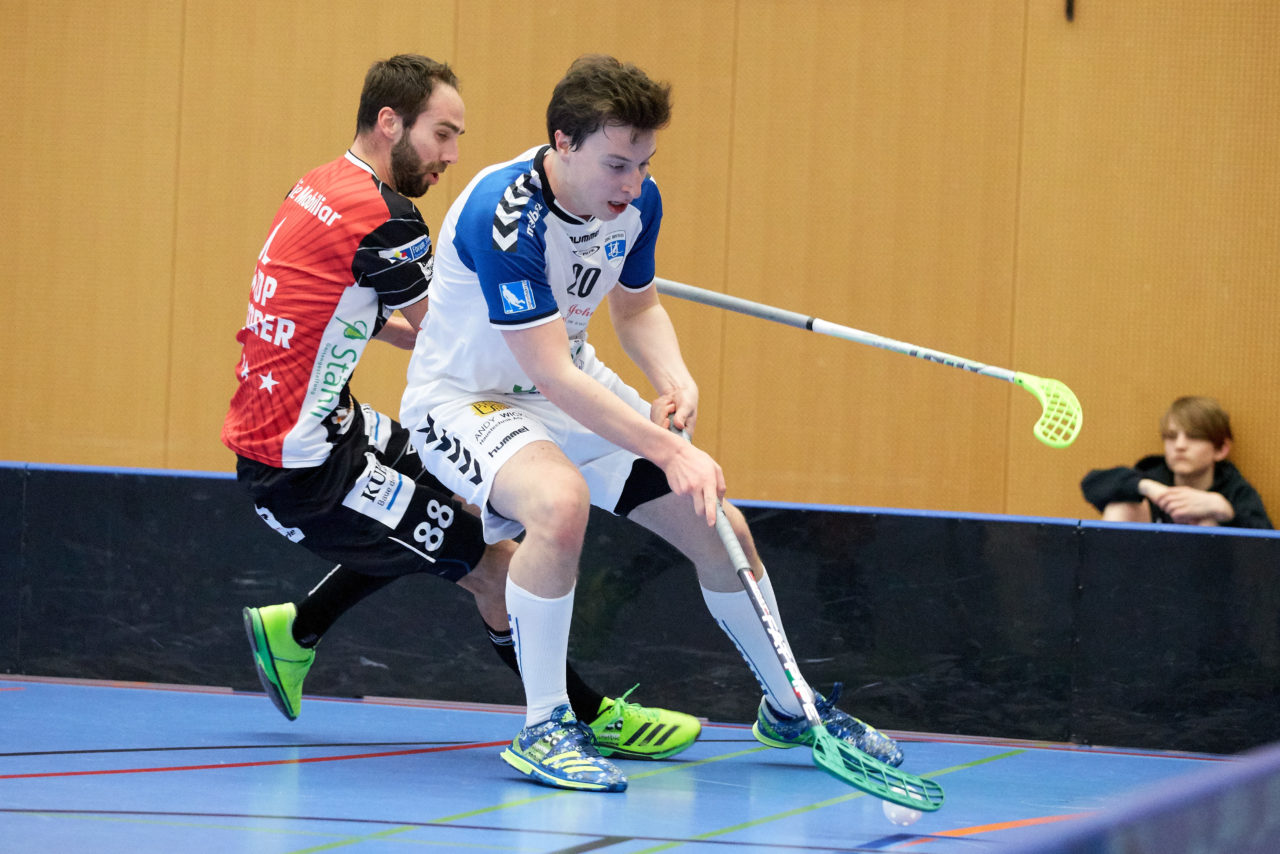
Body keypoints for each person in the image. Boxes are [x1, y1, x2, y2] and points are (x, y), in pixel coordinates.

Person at [399, 54, 904, 794]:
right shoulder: (503, 213)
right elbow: (550, 372)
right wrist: (669, 448)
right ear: (563, 143)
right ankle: (545, 726)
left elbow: (636, 306)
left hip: (564, 383)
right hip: (467, 400)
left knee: (719, 526)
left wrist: (675, 379)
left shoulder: (637, 203)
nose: (632, 184)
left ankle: (790, 708)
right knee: (559, 503)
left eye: (643, 164)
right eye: (616, 164)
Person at [220, 54, 700, 762]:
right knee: (495, 565)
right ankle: (579, 717)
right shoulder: (388, 220)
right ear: (390, 123)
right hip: (304, 469)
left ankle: (297, 630)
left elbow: (337, 306)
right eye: (441, 135)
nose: (450, 155)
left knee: (455, 495)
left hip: (327, 428)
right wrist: (551, 285)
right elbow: (445, 335)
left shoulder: (322, 187)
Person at [1081, 396, 1272, 528]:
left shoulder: (1235, 490)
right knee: (1121, 506)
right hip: (1145, 568)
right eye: (1171, 436)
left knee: (1208, 523)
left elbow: (1267, 549)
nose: (1180, 445)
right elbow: (1091, 484)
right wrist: (1146, 487)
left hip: (1207, 573)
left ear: (1221, 449)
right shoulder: (1154, 476)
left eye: (1194, 437)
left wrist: (1226, 511)